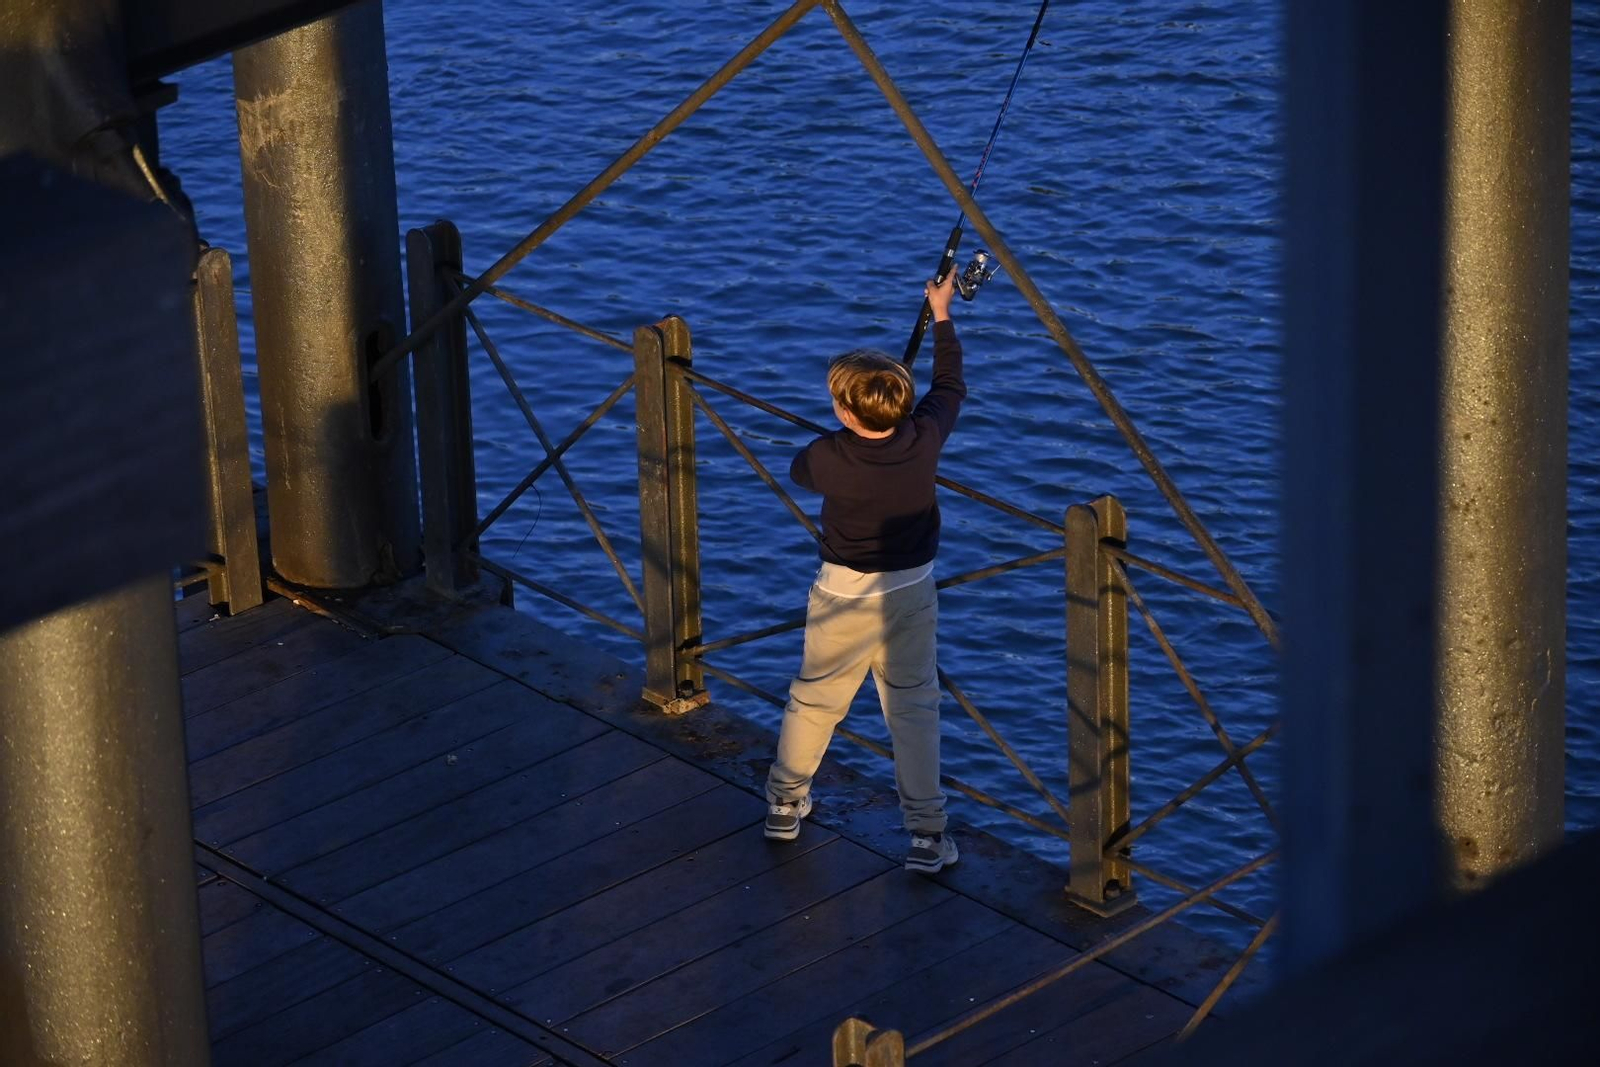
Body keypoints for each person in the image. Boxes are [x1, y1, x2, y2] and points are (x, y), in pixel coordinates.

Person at [764, 271, 965, 874]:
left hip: (842, 592)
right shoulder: (925, 436)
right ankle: (927, 835)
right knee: (913, 708)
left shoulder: (828, 455)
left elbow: (801, 471)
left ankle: (784, 803)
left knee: (815, 700)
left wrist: (844, 436)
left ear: (847, 414)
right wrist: (942, 315)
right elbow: (949, 384)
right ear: (903, 406)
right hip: (910, 589)